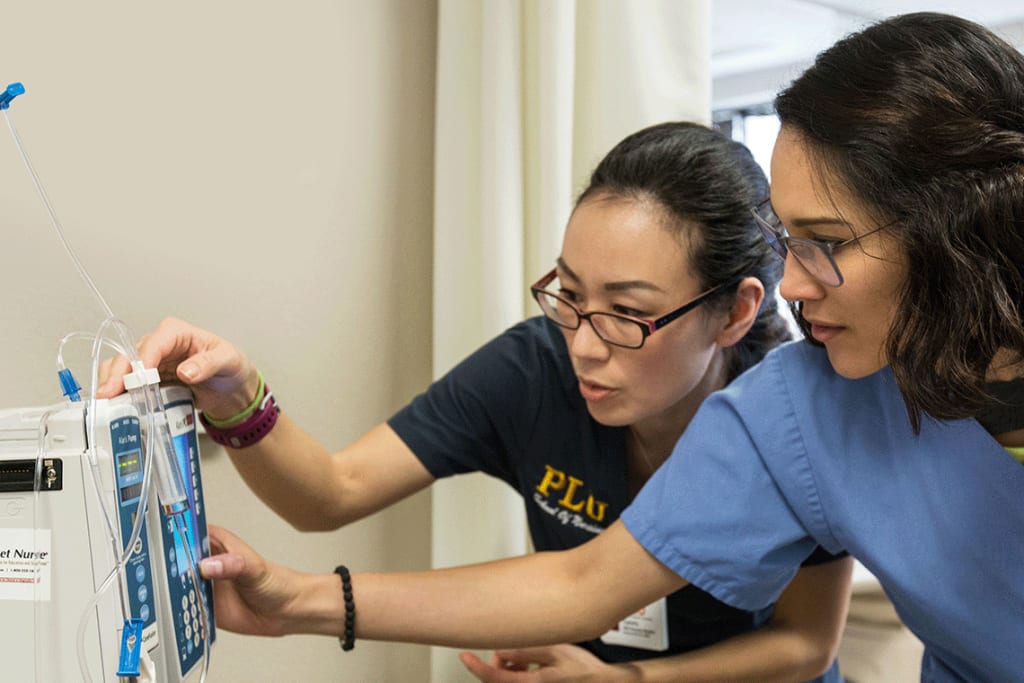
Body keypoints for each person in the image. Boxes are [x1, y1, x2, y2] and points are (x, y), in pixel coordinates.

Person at [99, 122, 852, 681]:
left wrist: (630, 680)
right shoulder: (538, 367)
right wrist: (237, 395)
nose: (585, 344)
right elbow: (333, 491)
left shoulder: (787, 422)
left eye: (627, 312)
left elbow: (806, 643)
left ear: (733, 312)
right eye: (570, 293)